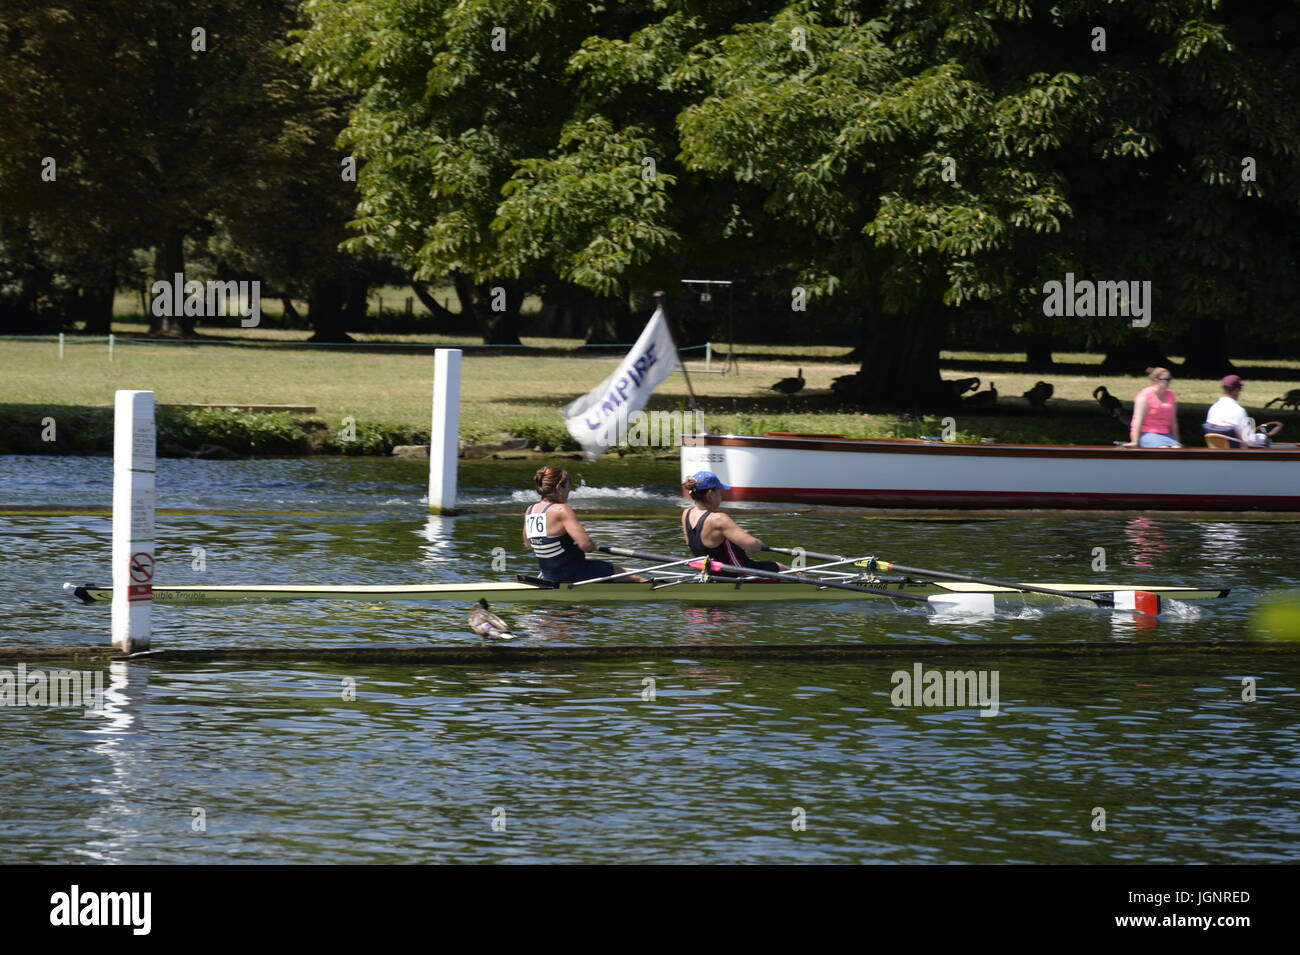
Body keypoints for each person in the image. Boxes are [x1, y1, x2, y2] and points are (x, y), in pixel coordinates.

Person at [523, 466, 641, 582]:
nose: (569, 492)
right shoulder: (562, 510)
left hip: (549, 575)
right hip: (575, 573)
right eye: (568, 487)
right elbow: (586, 546)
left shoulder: (530, 510)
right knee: (636, 577)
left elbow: (529, 545)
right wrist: (591, 544)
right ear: (559, 487)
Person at [681, 471, 788, 573]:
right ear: (710, 494)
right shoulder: (718, 519)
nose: (721, 496)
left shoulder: (686, 513)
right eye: (719, 491)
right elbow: (753, 547)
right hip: (739, 573)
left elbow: (703, 545)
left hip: (710, 572)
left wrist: (734, 539)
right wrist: (756, 543)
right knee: (788, 571)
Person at [1203, 375, 1270, 447]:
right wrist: (1263, 437)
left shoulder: (1213, 408)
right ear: (1237, 390)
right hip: (1238, 455)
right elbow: (1249, 441)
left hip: (1215, 454)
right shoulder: (1239, 411)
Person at [1126, 367, 1182, 448]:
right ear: (1155, 380)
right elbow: (1138, 420)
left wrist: (1177, 441)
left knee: (1177, 449)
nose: (1168, 382)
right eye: (1165, 379)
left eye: (1169, 379)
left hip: (1166, 434)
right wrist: (1134, 442)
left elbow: (1173, 420)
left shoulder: (1171, 395)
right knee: (1164, 449)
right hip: (1146, 433)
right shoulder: (1145, 396)